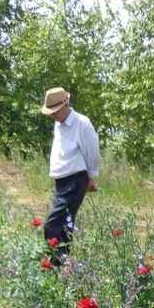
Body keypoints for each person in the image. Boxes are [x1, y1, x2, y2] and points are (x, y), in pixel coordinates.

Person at [41, 87, 100, 259]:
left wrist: (91, 177)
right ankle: (65, 270)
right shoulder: (58, 124)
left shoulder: (82, 123)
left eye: (55, 111)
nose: (52, 115)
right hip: (61, 183)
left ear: (65, 104)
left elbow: (92, 151)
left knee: (51, 226)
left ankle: (55, 266)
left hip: (75, 181)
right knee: (65, 227)